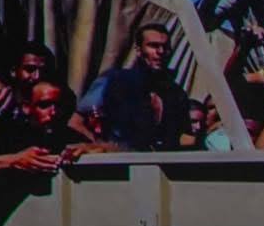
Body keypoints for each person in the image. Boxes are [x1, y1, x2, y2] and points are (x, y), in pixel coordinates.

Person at [77, 23, 191, 151]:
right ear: (138, 50)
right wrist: (102, 146)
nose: (160, 51)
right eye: (153, 46)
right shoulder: (114, 80)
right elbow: (77, 122)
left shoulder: (175, 92)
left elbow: (183, 135)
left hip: (159, 161)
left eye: (165, 47)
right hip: (117, 160)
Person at [0, 80, 90, 173]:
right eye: (44, 105)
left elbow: (96, 146)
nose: (54, 112)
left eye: (58, 106)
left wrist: (87, 149)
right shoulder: (8, 134)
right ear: (26, 107)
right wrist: (14, 160)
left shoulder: (67, 135)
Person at [0, 41, 55, 135]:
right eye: (30, 69)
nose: (37, 76)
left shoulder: (55, 109)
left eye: (44, 71)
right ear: (13, 71)